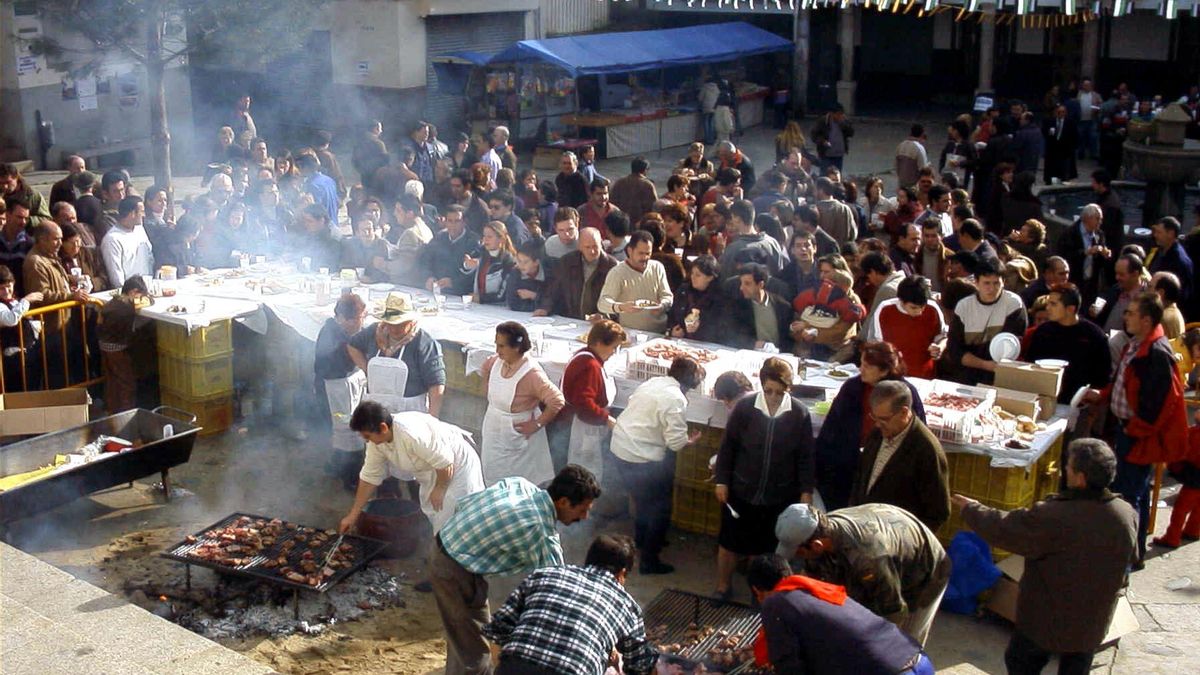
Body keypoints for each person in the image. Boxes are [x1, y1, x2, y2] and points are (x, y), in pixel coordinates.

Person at [955, 438, 1137, 675]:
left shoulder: (1056, 515)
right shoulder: (1125, 514)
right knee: (1077, 667)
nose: (1065, 471)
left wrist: (972, 509)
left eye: (1069, 467)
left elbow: (1007, 529)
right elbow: (1130, 559)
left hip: (1045, 621)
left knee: (1021, 663)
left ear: (1080, 478)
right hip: (1092, 622)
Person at [428, 463, 602, 673]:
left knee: (470, 637)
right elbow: (558, 589)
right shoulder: (539, 531)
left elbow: (465, 504)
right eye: (582, 510)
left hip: (452, 547)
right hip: (452, 570)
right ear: (564, 502)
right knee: (473, 658)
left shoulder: (520, 485)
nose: (584, 517)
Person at [1081, 292, 1189, 568]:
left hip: (1139, 439)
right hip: (1128, 432)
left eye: (1131, 313)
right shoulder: (1137, 344)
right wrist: (1102, 395)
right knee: (1132, 497)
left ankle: (1126, 562)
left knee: (1128, 499)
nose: (1125, 316)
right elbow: (1121, 382)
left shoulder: (1155, 354)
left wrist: (1132, 429)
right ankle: (1131, 554)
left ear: (1146, 319)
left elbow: (1158, 406)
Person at [776, 502, 950, 647]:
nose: (798, 558)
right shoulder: (822, 528)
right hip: (889, 544)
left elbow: (893, 611)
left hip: (927, 571)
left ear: (817, 545)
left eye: (799, 553)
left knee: (903, 645)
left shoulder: (867, 559)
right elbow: (812, 581)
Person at [712, 357, 815, 601]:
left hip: (778, 493)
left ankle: (756, 593)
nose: (773, 397)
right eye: (769, 391)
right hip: (742, 488)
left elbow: (805, 456)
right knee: (729, 544)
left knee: (763, 549)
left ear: (788, 390)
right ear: (761, 385)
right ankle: (722, 587)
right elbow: (729, 447)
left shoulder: (799, 413)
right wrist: (722, 480)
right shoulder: (745, 407)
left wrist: (806, 491)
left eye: (779, 392)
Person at [483, 534, 657, 675]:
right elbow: (641, 664)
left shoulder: (545, 574)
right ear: (622, 573)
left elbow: (498, 628)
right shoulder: (627, 605)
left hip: (513, 668)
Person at [748, 554, 934, 675]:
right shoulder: (817, 590)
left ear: (758, 590)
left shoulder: (776, 602)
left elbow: (788, 666)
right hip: (919, 661)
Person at [610, 357, 704, 574]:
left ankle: (642, 541)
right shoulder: (676, 399)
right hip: (641, 456)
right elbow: (675, 442)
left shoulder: (652, 383)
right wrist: (688, 441)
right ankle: (649, 561)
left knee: (643, 501)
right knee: (659, 509)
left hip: (620, 448)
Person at [816, 342, 927, 511]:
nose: (861, 369)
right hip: (846, 470)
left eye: (867, 366)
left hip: (887, 476)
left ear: (883, 371)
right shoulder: (852, 388)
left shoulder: (904, 394)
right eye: (861, 363)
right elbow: (830, 430)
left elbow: (917, 435)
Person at [850, 382, 950, 531]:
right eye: (874, 418)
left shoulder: (926, 449)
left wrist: (907, 541)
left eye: (884, 419)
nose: (877, 424)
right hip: (865, 531)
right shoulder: (878, 434)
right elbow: (861, 479)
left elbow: (938, 512)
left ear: (904, 412)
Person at [480, 322, 564, 487]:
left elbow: (556, 400)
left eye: (502, 346)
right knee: (491, 474)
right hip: (493, 427)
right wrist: (488, 392)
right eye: (496, 345)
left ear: (517, 348)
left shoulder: (532, 374)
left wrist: (537, 423)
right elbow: (485, 369)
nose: (497, 351)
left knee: (515, 484)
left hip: (516, 434)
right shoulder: (495, 361)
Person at [348, 292, 446, 417]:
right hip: (376, 409)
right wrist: (367, 369)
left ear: (411, 321)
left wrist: (432, 420)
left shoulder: (424, 343)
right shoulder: (375, 332)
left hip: (410, 412)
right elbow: (352, 345)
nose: (394, 329)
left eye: (400, 325)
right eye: (391, 324)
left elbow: (436, 383)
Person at [555, 320, 626, 484]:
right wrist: (605, 418)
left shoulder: (586, 356)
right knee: (585, 472)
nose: (614, 352)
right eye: (613, 348)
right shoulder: (589, 365)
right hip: (585, 428)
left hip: (588, 425)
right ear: (600, 343)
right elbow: (584, 402)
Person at [941, 258, 1027, 385]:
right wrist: (984, 365)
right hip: (967, 374)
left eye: (996, 283)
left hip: (1001, 373)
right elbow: (955, 349)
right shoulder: (964, 306)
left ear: (1003, 282)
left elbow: (1013, 342)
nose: (992, 289)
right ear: (976, 282)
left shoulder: (1013, 304)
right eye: (986, 283)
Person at [1024, 284, 1111, 404]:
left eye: (1053, 304)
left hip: (1078, 404)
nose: (1048, 308)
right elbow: (1030, 364)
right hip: (1042, 400)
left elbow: (1103, 377)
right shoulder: (1042, 331)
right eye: (1048, 303)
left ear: (1070, 309)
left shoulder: (1094, 336)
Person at [315, 293, 369, 489]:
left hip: (348, 382)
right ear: (345, 319)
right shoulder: (333, 335)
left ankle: (336, 464)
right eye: (361, 318)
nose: (362, 322)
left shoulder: (341, 329)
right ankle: (350, 476)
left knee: (348, 427)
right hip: (336, 387)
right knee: (347, 428)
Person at [597, 231, 673, 333]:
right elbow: (602, 303)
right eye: (641, 253)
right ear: (630, 251)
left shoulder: (657, 267)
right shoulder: (617, 273)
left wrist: (662, 306)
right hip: (631, 332)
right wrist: (621, 307)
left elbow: (667, 296)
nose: (644, 258)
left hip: (659, 332)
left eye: (648, 254)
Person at [872, 276, 946, 379]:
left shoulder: (932, 309)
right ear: (901, 301)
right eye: (913, 307)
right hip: (894, 376)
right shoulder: (885, 310)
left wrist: (939, 348)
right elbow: (877, 344)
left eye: (922, 307)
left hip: (925, 376)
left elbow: (943, 337)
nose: (919, 312)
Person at [535, 227, 616, 321]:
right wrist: (545, 308)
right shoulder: (567, 262)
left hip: (599, 322)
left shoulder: (612, 267)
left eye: (595, 246)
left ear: (601, 244)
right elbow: (554, 288)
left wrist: (603, 315)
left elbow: (617, 299)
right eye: (587, 247)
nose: (592, 251)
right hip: (572, 319)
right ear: (580, 246)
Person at [96, 276, 149, 414]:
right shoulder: (128, 305)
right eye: (140, 295)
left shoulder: (113, 301)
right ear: (134, 291)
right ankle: (126, 413)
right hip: (117, 347)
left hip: (104, 344)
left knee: (112, 381)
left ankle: (111, 410)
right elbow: (145, 307)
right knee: (126, 382)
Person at [731, 263, 795, 352]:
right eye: (741, 283)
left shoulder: (782, 306)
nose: (741, 288)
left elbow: (788, 338)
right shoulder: (738, 306)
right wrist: (755, 344)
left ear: (760, 285)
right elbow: (733, 334)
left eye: (747, 284)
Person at [667, 254, 728, 344]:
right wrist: (672, 330)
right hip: (680, 343)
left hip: (706, 346)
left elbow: (721, 329)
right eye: (692, 273)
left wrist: (700, 329)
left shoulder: (719, 298)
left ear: (710, 277)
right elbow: (672, 315)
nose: (693, 277)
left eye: (698, 275)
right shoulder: (683, 291)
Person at [462, 221, 516, 305]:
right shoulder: (481, 253)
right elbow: (463, 274)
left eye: (490, 237)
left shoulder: (509, 261)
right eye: (484, 236)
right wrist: (467, 265)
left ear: (501, 239)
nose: (485, 239)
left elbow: (504, 294)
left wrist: (481, 298)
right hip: (477, 305)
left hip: (498, 309)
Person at [1146, 216, 1194, 307]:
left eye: (1159, 232)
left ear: (1170, 234)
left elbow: (1180, 294)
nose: (1155, 235)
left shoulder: (1179, 261)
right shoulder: (1160, 251)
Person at [860, 252, 906, 342]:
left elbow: (872, 321)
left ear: (873, 272)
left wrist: (858, 341)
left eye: (867, 276)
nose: (868, 280)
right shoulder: (902, 281)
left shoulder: (887, 290)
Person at [58, 223, 107, 293]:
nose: (76, 245)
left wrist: (90, 283)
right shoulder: (57, 259)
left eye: (77, 241)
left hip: (93, 297)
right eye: (71, 242)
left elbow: (104, 278)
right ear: (62, 243)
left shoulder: (91, 254)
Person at [609, 157, 657, 226]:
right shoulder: (648, 185)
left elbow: (612, 202)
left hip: (620, 223)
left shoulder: (619, 182)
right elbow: (653, 207)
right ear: (645, 170)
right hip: (640, 224)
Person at [0, 163, 50, 229]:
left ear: (16, 178)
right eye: (1, 183)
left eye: (8, 182)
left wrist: (24, 219)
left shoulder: (32, 195)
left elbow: (46, 219)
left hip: (26, 235)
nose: (5, 186)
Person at [1043, 104, 1079, 184]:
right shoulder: (1049, 121)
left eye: (1063, 112)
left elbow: (1075, 136)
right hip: (1052, 152)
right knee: (1052, 174)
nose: (1060, 114)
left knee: (1065, 174)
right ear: (1055, 112)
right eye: (1058, 112)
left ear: (1066, 113)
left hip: (1065, 152)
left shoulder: (1071, 122)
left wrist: (1072, 148)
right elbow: (1044, 133)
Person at [813, 177, 856, 244]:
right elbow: (853, 234)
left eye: (815, 190)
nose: (813, 193)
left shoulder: (815, 210)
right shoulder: (845, 209)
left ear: (821, 190)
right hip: (841, 252)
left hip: (822, 252)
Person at [811, 105, 853, 171]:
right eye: (838, 114)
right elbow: (814, 135)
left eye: (841, 114)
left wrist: (844, 125)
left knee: (837, 174)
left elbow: (851, 133)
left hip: (839, 154)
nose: (840, 116)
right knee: (825, 174)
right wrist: (823, 141)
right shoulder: (823, 121)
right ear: (832, 113)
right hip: (826, 154)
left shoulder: (844, 121)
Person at [895, 124, 930, 189]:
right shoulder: (919, 148)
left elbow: (896, 166)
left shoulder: (901, 146)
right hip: (914, 186)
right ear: (922, 135)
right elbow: (923, 169)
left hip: (901, 184)